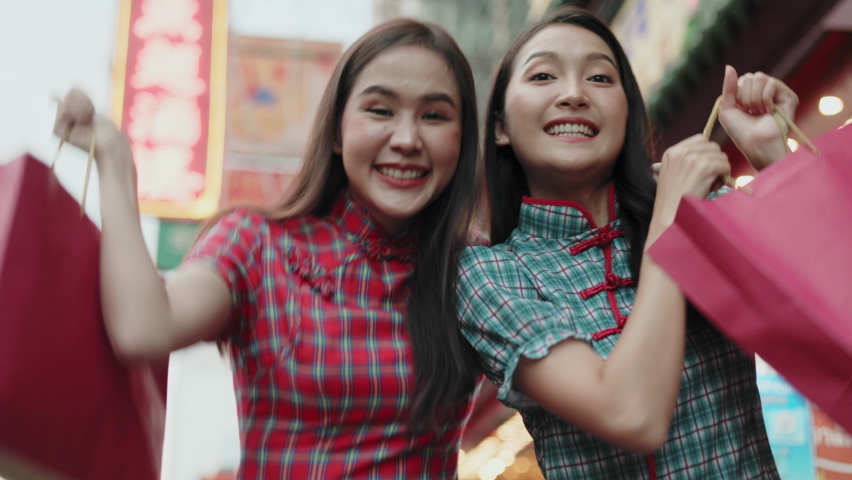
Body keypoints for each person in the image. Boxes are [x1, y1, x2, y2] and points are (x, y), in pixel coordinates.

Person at [53, 19, 482, 479]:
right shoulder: (258, 245)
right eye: (380, 110)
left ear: (463, 140)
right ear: (337, 131)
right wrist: (115, 162)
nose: (406, 140)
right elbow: (144, 327)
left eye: (434, 116)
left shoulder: (476, 270)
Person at [455, 6, 797, 479]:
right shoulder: (489, 274)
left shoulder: (706, 210)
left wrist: (776, 160)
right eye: (543, 76)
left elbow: (825, 320)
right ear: (499, 126)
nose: (574, 94)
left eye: (599, 77)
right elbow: (631, 414)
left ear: (628, 110)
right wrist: (671, 223)